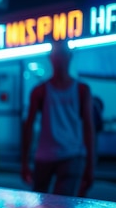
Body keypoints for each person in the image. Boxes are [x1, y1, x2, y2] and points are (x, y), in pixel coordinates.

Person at [21, 41, 94, 197]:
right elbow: (28, 126)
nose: (59, 59)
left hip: (71, 154)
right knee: (43, 205)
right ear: (50, 58)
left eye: (62, 55)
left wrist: (90, 165)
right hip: (45, 155)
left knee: (61, 204)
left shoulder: (82, 90)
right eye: (56, 55)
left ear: (69, 57)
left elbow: (89, 128)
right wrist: (24, 162)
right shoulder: (40, 91)